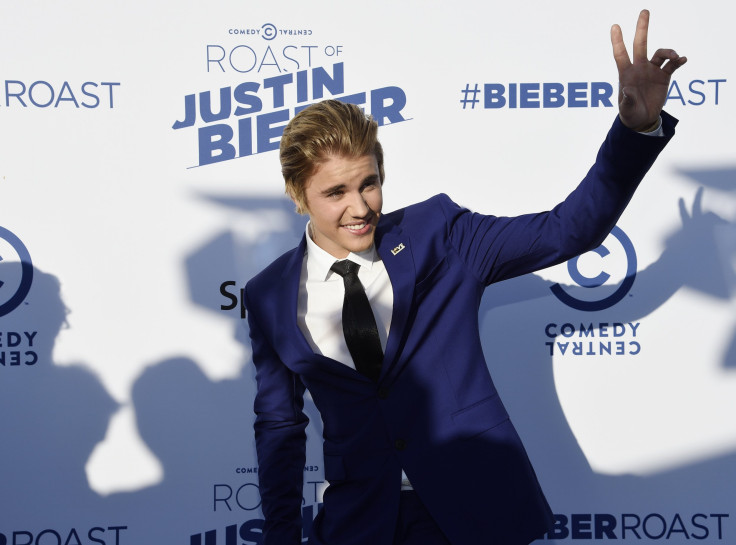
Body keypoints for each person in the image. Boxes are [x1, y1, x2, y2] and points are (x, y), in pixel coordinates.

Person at [243, 9, 686, 545]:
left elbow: (568, 230)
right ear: (298, 196)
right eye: (335, 193)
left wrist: (634, 131)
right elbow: (280, 428)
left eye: (369, 183)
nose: (360, 207)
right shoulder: (267, 295)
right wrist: (281, 536)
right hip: (359, 523)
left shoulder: (439, 233)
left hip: (475, 514)